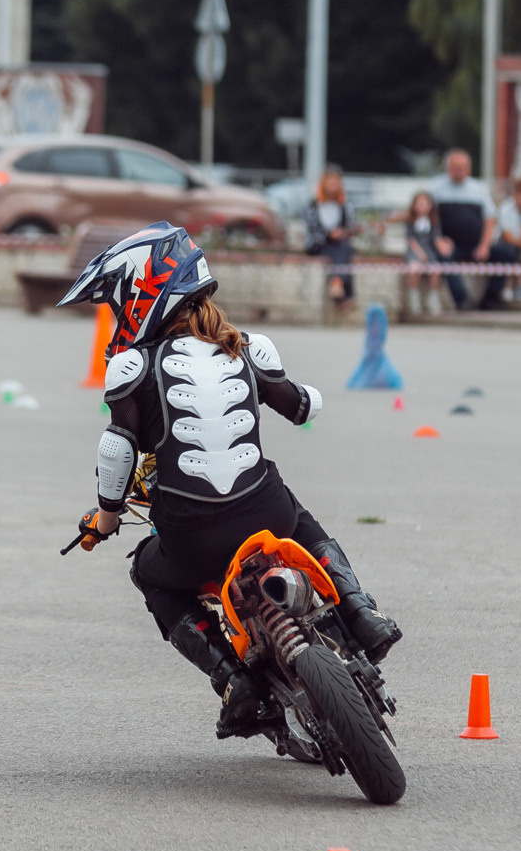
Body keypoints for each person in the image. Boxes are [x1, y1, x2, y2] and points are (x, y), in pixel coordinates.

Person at [59, 223, 400, 741]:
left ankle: (233, 681)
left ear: (142, 294)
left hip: (191, 540)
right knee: (302, 520)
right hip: (267, 514)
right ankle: (361, 612)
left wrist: (105, 521)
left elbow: (117, 447)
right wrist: (301, 393)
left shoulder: (132, 365)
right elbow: (303, 408)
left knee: (149, 576)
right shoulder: (246, 348)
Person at [426, 149, 492, 309]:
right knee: (445, 257)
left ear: (469, 168)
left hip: (475, 245)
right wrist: (437, 239)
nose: (459, 171)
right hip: (450, 245)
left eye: (462, 167)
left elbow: (490, 219)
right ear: (448, 168)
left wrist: (484, 245)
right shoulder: (435, 189)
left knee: (507, 253)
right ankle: (462, 300)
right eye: (455, 167)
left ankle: (492, 299)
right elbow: (427, 216)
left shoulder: (479, 189)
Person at [301, 168, 356, 306]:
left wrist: (342, 233)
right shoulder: (313, 206)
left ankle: (337, 284)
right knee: (338, 249)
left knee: (342, 247)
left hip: (339, 244)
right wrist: (329, 235)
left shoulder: (345, 206)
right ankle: (345, 292)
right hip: (318, 244)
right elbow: (313, 230)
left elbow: (350, 228)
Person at [399, 188, 449, 316]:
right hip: (415, 252)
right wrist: (420, 254)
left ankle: (433, 298)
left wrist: (443, 246)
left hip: (429, 251)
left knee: (435, 269)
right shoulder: (410, 221)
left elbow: (437, 238)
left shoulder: (433, 222)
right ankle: (414, 299)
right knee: (414, 269)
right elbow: (411, 240)